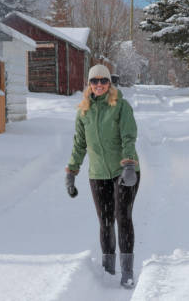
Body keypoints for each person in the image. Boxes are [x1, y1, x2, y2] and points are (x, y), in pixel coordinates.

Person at [65, 64, 140, 289]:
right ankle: (108, 269)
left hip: (124, 171)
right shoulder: (83, 111)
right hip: (97, 174)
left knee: (122, 216)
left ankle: (127, 271)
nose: (99, 85)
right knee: (105, 221)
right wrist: (72, 171)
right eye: (94, 81)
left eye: (103, 81)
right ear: (89, 84)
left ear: (110, 83)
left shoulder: (121, 106)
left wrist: (128, 164)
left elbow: (129, 136)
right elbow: (79, 144)